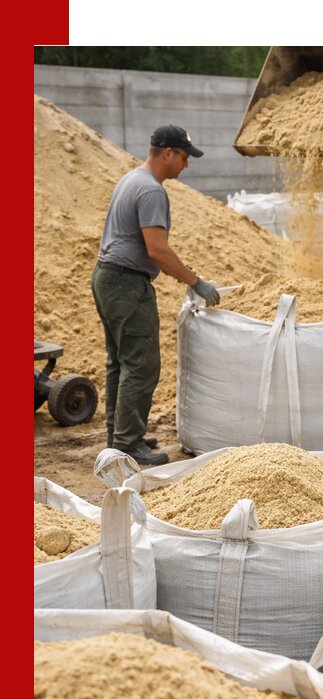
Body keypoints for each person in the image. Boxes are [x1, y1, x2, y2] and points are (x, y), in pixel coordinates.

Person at [92, 125, 220, 466]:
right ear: (167, 153)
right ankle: (128, 442)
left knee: (119, 362)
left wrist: (185, 271)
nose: (186, 165)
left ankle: (120, 435)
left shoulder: (131, 178)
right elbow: (157, 249)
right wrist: (195, 281)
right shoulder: (151, 190)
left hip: (108, 278)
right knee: (140, 364)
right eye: (184, 158)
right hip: (126, 284)